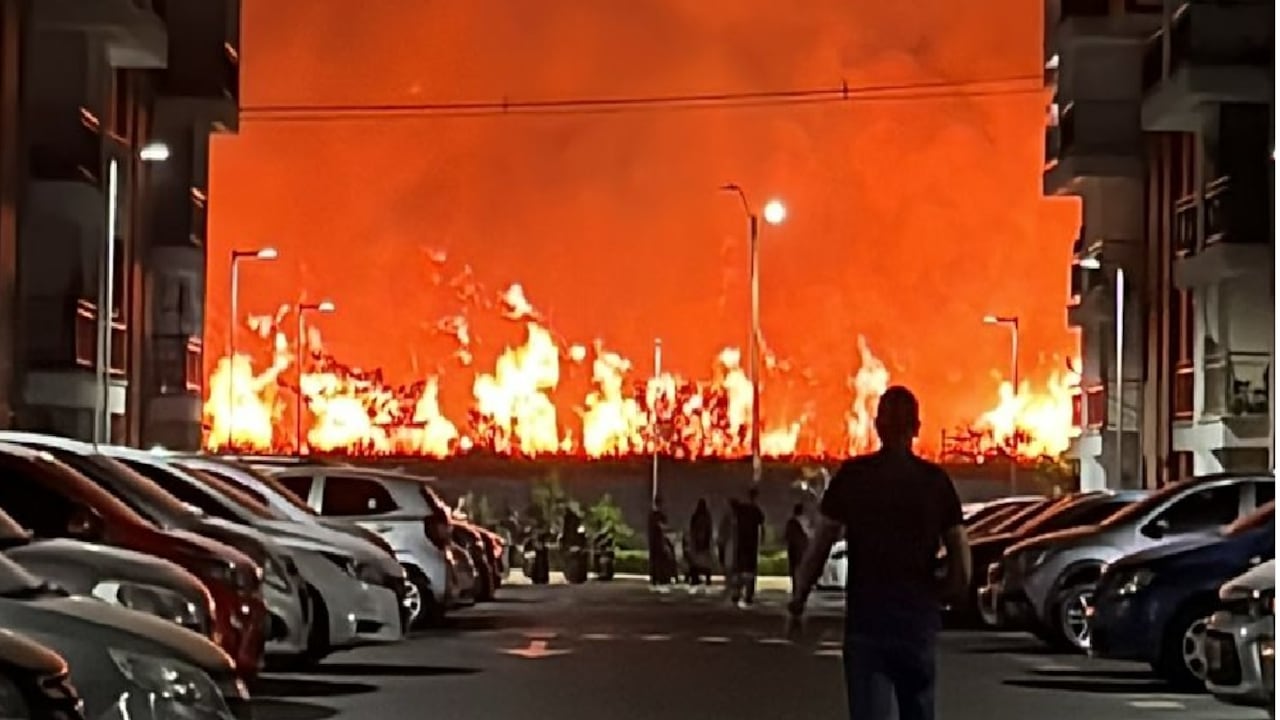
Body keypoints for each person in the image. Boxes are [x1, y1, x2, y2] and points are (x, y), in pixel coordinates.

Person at [788, 386, 971, 720]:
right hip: (916, 624)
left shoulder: (853, 477)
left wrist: (799, 599)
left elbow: (820, 546)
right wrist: (941, 596)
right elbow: (962, 560)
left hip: (867, 624)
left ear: (877, 426)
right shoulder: (936, 483)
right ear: (916, 428)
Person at [730, 487, 765, 608]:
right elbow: (762, 524)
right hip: (751, 544)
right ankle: (748, 594)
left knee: (739, 569)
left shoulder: (742, 510)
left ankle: (737, 593)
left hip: (742, 543)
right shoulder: (755, 510)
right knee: (749, 570)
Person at [686, 499, 714, 588]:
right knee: (703, 562)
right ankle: (701, 578)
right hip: (702, 543)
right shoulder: (705, 517)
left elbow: (693, 529)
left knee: (697, 562)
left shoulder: (697, 516)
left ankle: (696, 578)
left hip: (699, 543)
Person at [647, 496, 672, 589]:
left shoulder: (652, 516)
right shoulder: (659, 516)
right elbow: (663, 528)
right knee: (660, 560)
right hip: (659, 542)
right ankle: (660, 578)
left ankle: (655, 578)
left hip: (654, 541)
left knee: (655, 560)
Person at [784, 502, 810, 590]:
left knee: (794, 569)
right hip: (801, 549)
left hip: (792, 549)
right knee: (801, 570)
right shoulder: (804, 521)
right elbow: (809, 534)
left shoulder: (791, 522)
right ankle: (800, 588)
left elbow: (786, 536)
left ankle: (795, 588)